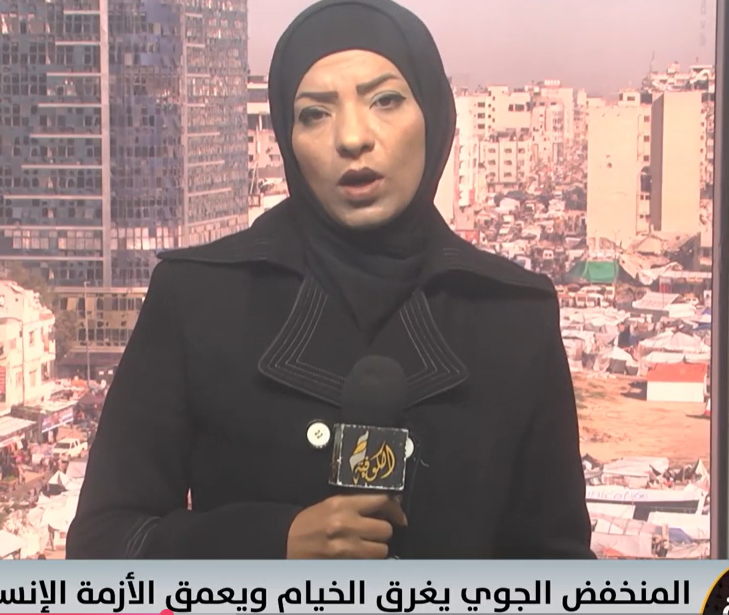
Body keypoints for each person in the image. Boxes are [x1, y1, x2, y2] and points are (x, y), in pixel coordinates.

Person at [67, 0, 593, 560]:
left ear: (435, 115)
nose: (352, 137)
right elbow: (104, 543)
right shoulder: (198, 299)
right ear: (287, 138)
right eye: (315, 113)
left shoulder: (512, 316)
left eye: (385, 101)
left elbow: (555, 564)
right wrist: (273, 544)